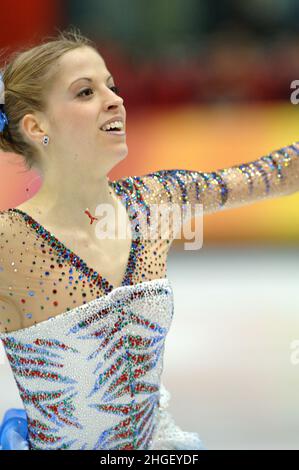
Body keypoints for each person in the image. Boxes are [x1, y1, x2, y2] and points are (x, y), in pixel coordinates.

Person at [0, 27, 298, 451]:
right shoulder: (10, 242)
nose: (114, 99)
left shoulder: (154, 202)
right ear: (36, 126)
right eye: (86, 92)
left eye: (112, 85)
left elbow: (274, 174)